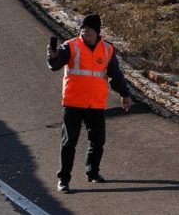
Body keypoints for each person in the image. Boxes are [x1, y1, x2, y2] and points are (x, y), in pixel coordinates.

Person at [46, 14, 133, 193]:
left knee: (98, 140)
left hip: (96, 105)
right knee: (69, 142)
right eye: (83, 31)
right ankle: (63, 180)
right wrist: (52, 57)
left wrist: (125, 94)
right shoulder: (70, 46)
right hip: (73, 103)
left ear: (97, 32)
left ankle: (92, 172)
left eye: (89, 31)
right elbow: (55, 64)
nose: (86, 34)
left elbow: (115, 76)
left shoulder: (107, 50)